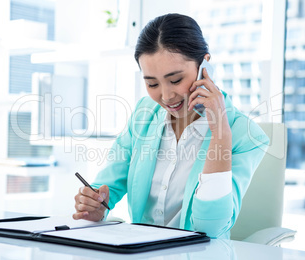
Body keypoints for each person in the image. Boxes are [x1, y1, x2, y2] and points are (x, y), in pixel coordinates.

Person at [73, 13, 269, 239]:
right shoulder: (143, 115)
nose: (166, 96)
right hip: (141, 252)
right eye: (152, 83)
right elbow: (107, 187)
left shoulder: (246, 136)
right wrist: (94, 204)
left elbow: (211, 228)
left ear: (204, 65)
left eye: (176, 80)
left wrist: (220, 134)